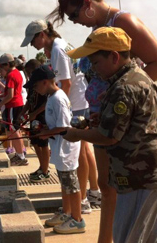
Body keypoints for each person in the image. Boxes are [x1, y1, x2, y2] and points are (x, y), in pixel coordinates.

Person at [47, 0, 157, 243]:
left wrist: (123, 101)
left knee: (120, 187)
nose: (75, 21)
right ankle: (106, 238)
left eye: (74, 14)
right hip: (104, 116)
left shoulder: (123, 22)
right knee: (106, 184)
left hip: (121, 122)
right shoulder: (97, 31)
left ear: (88, 4)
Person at [65, 27, 157, 243]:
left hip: (142, 176)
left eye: (96, 62)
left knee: (129, 237)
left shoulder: (123, 87)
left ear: (114, 57)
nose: (94, 69)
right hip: (153, 172)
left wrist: (77, 133)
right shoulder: (136, 77)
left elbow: (109, 137)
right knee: (150, 237)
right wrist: (103, 121)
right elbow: (132, 122)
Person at [21, 19, 94, 214]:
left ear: (42, 35)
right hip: (80, 101)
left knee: (79, 154)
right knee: (85, 151)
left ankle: (83, 200)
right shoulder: (61, 45)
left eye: (32, 40)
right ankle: (92, 191)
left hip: (75, 103)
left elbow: (66, 84)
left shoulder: (57, 50)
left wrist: (59, 107)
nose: (32, 45)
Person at [24, 65, 85, 235]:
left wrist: (45, 133)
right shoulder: (51, 97)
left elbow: (64, 126)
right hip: (58, 147)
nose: (35, 90)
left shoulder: (58, 98)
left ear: (45, 82)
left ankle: (78, 220)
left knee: (72, 185)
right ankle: (66, 213)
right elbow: (56, 124)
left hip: (66, 148)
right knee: (64, 184)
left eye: (35, 86)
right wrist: (43, 127)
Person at [17, 59, 50, 182]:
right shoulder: (32, 84)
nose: (28, 76)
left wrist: (35, 113)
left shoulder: (43, 84)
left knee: (43, 144)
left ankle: (45, 171)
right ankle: (41, 167)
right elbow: (29, 101)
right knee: (35, 143)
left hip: (41, 118)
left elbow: (47, 103)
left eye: (30, 73)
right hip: (32, 117)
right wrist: (22, 113)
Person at [0, 53, 27, 166]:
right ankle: (20, 154)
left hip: (13, 106)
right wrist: (2, 96)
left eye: (2, 66)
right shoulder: (17, 73)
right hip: (18, 104)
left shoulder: (11, 75)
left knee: (13, 131)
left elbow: (10, 95)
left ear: (7, 64)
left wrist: (0, 104)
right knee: (16, 131)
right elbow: (9, 92)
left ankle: (21, 157)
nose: (2, 69)